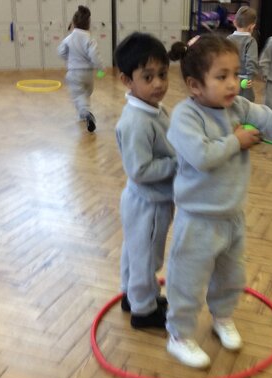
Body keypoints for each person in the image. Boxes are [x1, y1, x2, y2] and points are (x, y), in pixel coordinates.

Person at [166, 34, 272, 368]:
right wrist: (236, 141)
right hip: (197, 221)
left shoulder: (239, 107)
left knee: (231, 277)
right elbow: (200, 156)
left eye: (236, 73)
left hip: (233, 217)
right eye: (221, 76)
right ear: (195, 85)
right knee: (187, 281)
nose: (233, 83)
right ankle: (179, 336)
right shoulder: (186, 116)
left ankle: (222, 317)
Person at [114, 32, 176, 329]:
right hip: (148, 203)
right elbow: (140, 170)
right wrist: (178, 164)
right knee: (146, 258)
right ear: (127, 80)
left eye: (163, 74)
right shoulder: (137, 122)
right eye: (148, 77)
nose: (158, 84)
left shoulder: (155, 109)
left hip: (148, 199)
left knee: (135, 251)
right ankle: (144, 310)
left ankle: (132, 295)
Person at [58, 5, 103, 133]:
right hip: (88, 74)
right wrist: (100, 69)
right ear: (88, 23)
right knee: (86, 94)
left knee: (78, 95)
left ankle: (86, 113)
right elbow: (95, 55)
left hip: (74, 73)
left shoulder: (69, 39)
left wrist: (68, 59)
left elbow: (61, 52)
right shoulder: (89, 39)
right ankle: (83, 114)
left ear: (73, 23)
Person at [227, 6, 259, 102]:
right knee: (247, 104)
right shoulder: (251, 41)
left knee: (230, 101)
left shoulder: (228, 39)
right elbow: (251, 60)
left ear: (234, 22)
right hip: (244, 80)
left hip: (230, 77)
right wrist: (251, 77)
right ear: (252, 26)